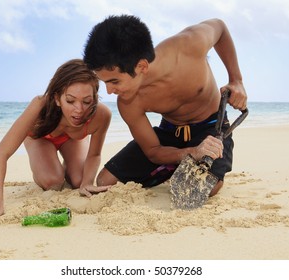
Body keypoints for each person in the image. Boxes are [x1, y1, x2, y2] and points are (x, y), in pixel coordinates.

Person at [83, 15, 247, 196]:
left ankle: (179, 167)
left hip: (210, 128)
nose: (109, 91)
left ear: (141, 66)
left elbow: (220, 27)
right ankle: (179, 164)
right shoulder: (128, 103)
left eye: (114, 81)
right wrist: (192, 152)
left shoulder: (189, 44)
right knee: (105, 181)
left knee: (195, 189)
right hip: (170, 132)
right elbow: (153, 151)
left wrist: (236, 80)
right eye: (104, 82)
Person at [0, 59, 112, 224]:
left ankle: (68, 166)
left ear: (95, 98)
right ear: (57, 98)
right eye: (70, 100)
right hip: (40, 138)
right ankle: (52, 166)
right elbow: (1, 154)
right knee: (53, 181)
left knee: (78, 180)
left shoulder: (101, 115)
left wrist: (87, 182)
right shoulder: (40, 106)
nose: (79, 109)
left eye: (87, 101)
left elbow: (95, 154)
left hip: (72, 141)